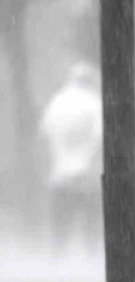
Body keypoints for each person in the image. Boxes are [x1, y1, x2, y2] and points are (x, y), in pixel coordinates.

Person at [39, 62, 103, 256]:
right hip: (86, 169)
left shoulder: (58, 101)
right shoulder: (93, 101)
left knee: (61, 213)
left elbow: (44, 130)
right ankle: (91, 249)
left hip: (60, 170)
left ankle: (57, 250)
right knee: (90, 213)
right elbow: (100, 134)